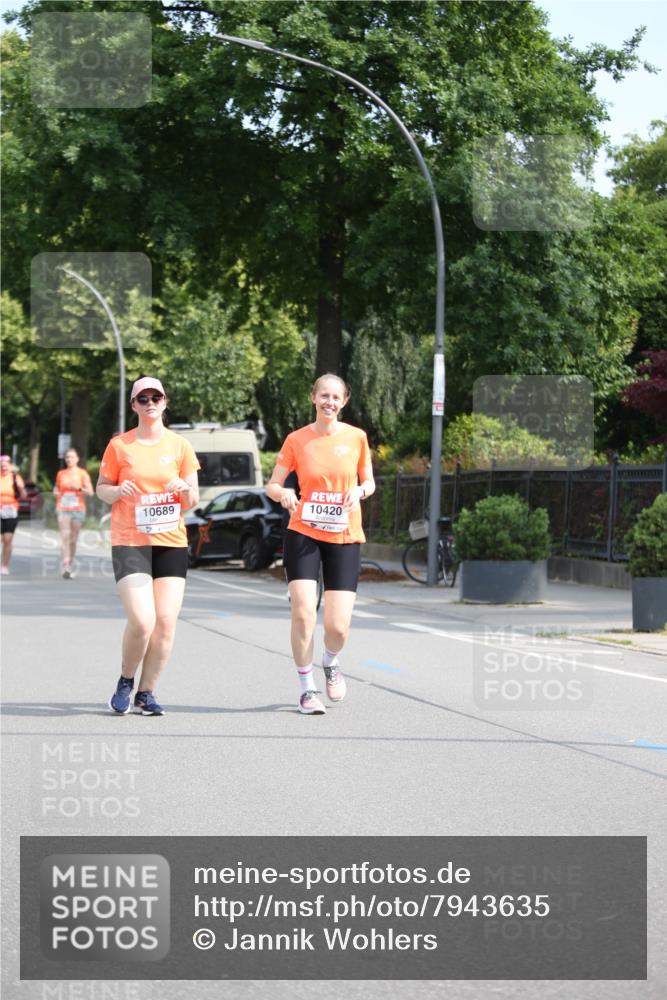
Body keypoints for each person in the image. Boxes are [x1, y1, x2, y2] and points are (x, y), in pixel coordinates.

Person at [267, 373, 375, 715]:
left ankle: (329, 661)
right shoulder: (296, 440)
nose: (329, 402)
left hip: (344, 534)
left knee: (338, 626)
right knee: (302, 612)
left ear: (344, 401)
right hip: (304, 531)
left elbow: (369, 481)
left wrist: (358, 491)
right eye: (323, 395)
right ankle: (306, 687)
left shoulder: (357, 437)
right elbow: (273, 484)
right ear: (313, 397)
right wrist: (283, 492)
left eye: (335, 397)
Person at [96, 377, 200, 716]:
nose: (150, 402)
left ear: (165, 402)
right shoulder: (120, 446)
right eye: (143, 398)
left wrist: (183, 487)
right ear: (134, 405)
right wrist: (117, 491)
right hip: (130, 541)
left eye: (156, 397)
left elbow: (193, 500)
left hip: (170, 542)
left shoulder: (181, 446)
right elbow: (101, 488)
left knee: (166, 621)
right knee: (143, 620)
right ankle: (126, 679)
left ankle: (147, 692)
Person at [53, 448, 94, 578]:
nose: (69, 459)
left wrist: (79, 488)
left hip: (78, 509)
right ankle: (66, 565)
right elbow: (56, 488)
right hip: (63, 507)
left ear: (77, 459)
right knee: (65, 536)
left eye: (71, 457)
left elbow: (91, 492)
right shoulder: (61, 473)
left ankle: (70, 561)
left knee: (73, 539)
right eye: (67, 457)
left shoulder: (83, 474)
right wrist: (55, 492)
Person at [0, 454, 27, 576]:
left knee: (7, 540)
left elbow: (24, 496)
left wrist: (21, 489)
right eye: (2, 465)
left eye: (6, 465)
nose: (4, 467)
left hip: (11, 511)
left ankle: (4, 565)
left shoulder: (16, 478)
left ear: (10, 466)